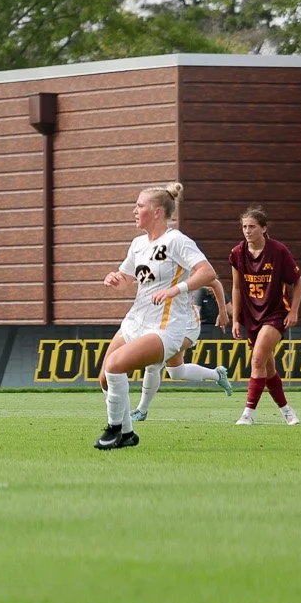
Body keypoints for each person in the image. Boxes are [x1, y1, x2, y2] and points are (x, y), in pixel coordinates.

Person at [93, 182, 219, 451]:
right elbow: (128, 278)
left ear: (158, 212)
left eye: (140, 205)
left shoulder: (176, 240)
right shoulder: (138, 243)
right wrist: (116, 279)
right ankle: (127, 432)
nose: (134, 210)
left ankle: (115, 428)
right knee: (105, 377)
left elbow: (207, 273)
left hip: (165, 326)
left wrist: (176, 289)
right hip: (135, 319)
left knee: (115, 366)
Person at [227, 206, 301, 426]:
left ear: (263, 228)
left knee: (257, 359)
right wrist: (236, 319)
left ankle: (248, 413)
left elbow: (297, 281)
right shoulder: (237, 253)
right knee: (268, 368)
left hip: (275, 313)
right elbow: (237, 288)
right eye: (244, 227)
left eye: (252, 226)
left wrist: (294, 310)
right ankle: (287, 411)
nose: (247, 231)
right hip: (251, 316)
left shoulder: (278, 251)